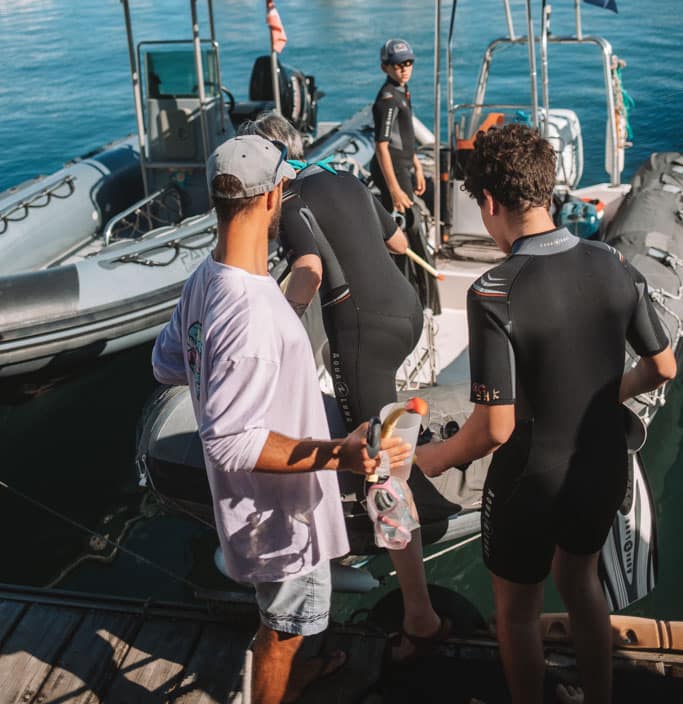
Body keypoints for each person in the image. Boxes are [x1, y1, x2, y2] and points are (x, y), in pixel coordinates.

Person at [415, 123, 677, 704]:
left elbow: (495, 429)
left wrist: (432, 458)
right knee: (581, 581)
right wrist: (604, 393)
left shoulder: (494, 291)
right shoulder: (611, 261)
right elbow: (662, 368)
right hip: (602, 462)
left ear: (487, 202)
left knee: (516, 610)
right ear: (547, 189)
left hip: (529, 482)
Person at [151, 134, 410, 704]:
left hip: (252, 506)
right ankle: (276, 693)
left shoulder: (206, 279)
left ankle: (296, 680)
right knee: (283, 633)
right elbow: (231, 444)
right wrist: (339, 453)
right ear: (273, 199)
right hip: (279, 517)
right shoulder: (254, 317)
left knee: (290, 623)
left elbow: (167, 362)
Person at [239, 114, 447, 665]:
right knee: (379, 429)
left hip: (362, 332)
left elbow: (307, 269)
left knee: (383, 470)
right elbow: (397, 240)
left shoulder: (286, 199)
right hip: (405, 309)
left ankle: (420, 616)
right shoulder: (344, 175)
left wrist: (275, 333)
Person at [370, 38, 425, 214]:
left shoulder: (402, 89)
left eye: (408, 63)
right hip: (393, 166)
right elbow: (381, 146)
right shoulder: (388, 99)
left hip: (403, 163)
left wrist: (417, 166)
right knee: (407, 220)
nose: (404, 69)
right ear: (384, 67)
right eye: (397, 65)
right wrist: (394, 190)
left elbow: (405, 134)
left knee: (408, 220)